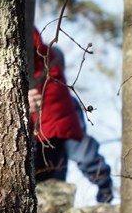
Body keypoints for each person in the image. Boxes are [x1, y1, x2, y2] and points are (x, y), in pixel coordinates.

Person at [46, 43, 114, 203]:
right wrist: (104, 184)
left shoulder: (14, 98)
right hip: (48, 194)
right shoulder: (65, 105)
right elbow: (82, 150)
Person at [28, 28, 85, 182]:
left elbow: (83, 150)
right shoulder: (48, 58)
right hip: (52, 135)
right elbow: (84, 151)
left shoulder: (41, 62)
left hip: (44, 136)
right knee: (51, 187)